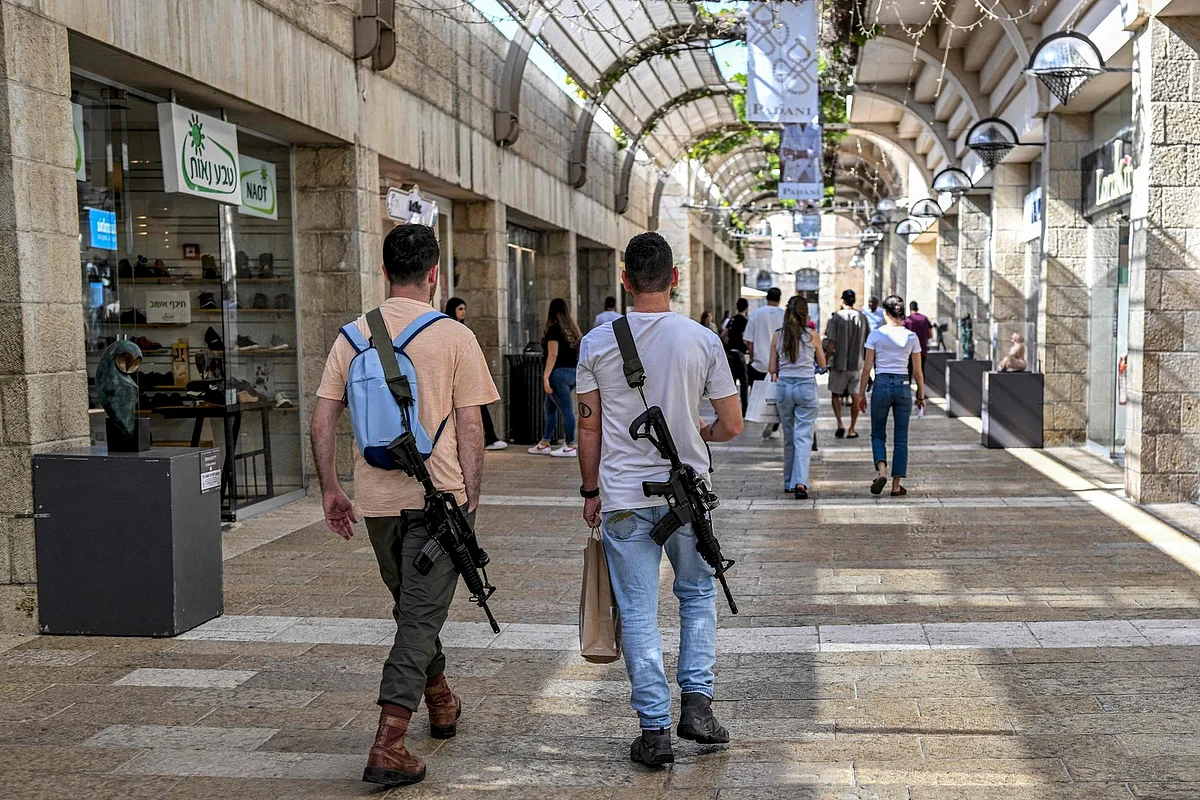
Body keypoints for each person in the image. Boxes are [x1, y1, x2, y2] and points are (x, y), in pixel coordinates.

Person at [310, 224, 500, 787]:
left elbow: (322, 421)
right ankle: (389, 742)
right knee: (418, 616)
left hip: (377, 502)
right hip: (439, 498)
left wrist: (331, 488)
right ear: (434, 273)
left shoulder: (352, 336)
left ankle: (440, 700)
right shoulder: (455, 336)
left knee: (412, 608)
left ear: (385, 271)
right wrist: (469, 496)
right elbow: (472, 427)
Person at [576, 231, 743, 766]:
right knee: (696, 595)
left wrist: (591, 490)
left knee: (637, 611)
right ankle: (697, 706)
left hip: (623, 496)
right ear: (674, 278)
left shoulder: (596, 343)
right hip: (688, 495)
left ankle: (654, 733)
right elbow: (732, 425)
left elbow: (588, 428)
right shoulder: (702, 340)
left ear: (625, 280)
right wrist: (701, 433)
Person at [857, 294, 925, 497]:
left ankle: (882, 472)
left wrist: (861, 394)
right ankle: (896, 486)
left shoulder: (876, 335)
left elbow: (867, 368)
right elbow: (918, 371)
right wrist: (921, 396)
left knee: (878, 433)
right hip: (903, 385)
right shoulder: (911, 337)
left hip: (882, 384)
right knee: (901, 437)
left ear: (885, 312)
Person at [769, 296, 826, 499]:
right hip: (806, 387)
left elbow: (772, 368)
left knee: (789, 436)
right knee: (803, 436)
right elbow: (822, 363)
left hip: (784, 388)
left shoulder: (778, 336)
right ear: (805, 314)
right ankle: (800, 482)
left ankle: (788, 482)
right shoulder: (812, 336)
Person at [445, 297, 507, 451]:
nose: (463, 312)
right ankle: (489, 438)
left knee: (477, 407)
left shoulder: (461, 329)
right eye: (460, 309)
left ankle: (490, 437)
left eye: (464, 309)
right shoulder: (451, 328)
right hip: (458, 375)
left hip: (465, 375)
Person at [528, 298, 581, 458]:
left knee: (566, 410)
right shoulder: (573, 330)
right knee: (549, 408)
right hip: (572, 374)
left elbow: (553, 354)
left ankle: (570, 445)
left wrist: (545, 376)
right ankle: (545, 442)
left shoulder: (554, 330)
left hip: (558, 375)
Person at [823, 289, 869, 439]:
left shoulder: (836, 318)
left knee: (835, 394)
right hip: (857, 363)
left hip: (839, 363)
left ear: (842, 301)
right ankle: (852, 428)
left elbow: (831, 342)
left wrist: (825, 360)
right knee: (856, 395)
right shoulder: (862, 318)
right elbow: (868, 341)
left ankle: (840, 423)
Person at [746, 287, 785, 438]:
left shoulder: (756, 314)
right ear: (779, 299)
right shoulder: (785, 315)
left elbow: (748, 340)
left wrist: (752, 356)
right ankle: (774, 425)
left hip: (759, 361)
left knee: (759, 392)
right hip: (779, 363)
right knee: (777, 395)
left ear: (767, 297)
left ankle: (759, 416)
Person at [722, 298, 750, 412]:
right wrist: (747, 347)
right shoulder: (744, 321)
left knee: (731, 382)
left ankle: (730, 407)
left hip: (730, 353)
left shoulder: (732, 319)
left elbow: (723, 334)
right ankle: (744, 407)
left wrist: (728, 343)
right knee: (744, 381)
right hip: (739, 353)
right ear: (746, 308)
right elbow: (745, 338)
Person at [903, 301, 933, 382]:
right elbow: (930, 334)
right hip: (922, 349)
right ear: (917, 308)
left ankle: (908, 389)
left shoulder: (907, 320)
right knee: (921, 371)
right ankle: (920, 389)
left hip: (910, 350)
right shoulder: (924, 319)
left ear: (910, 309)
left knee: (908, 371)